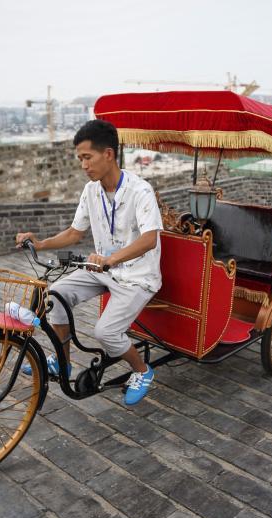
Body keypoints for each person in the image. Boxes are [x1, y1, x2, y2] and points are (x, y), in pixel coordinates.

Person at [14, 119, 162, 406]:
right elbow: (74, 232)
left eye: (87, 157)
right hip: (101, 270)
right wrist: (41, 243)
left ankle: (143, 371)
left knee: (105, 332)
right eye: (80, 158)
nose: (83, 165)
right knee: (55, 296)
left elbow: (149, 240)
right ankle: (62, 362)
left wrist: (111, 259)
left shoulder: (140, 191)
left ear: (108, 154)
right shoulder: (91, 190)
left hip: (137, 277)